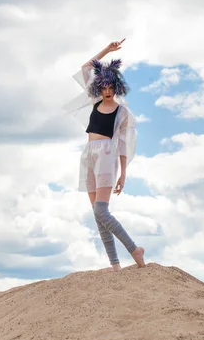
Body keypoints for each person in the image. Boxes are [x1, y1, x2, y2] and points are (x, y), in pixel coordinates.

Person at [63, 38, 146, 272]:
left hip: (108, 155)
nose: (107, 91)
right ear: (99, 87)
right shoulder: (95, 101)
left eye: (111, 88)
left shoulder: (123, 112)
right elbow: (85, 68)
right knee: (97, 215)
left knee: (102, 210)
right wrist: (108, 50)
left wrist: (124, 174)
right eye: (104, 87)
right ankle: (115, 265)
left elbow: (123, 145)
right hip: (89, 154)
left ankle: (134, 249)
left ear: (116, 88)